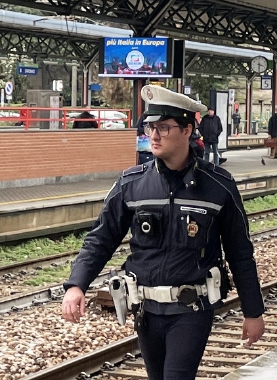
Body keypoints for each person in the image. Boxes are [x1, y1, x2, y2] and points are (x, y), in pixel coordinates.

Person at [61, 85, 265, 380]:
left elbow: (240, 252)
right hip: (146, 310)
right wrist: (76, 285)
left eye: (164, 128)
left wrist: (253, 311)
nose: (154, 136)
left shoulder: (218, 185)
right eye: (150, 127)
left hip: (191, 308)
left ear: (187, 130)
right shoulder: (131, 184)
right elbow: (101, 239)